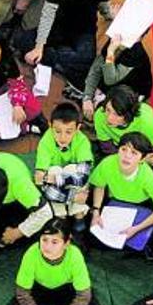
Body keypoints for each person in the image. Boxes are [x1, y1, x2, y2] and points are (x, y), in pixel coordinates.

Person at [19, 0, 116, 90]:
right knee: (22, 41)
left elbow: (103, 6)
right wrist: (39, 47)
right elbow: (48, 15)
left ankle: (51, 58)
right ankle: (53, 57)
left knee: (86, 60)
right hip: (59, 27)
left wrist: (110, 15)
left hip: (84, 30)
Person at [4, 218, 104, 305]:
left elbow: (83, 296)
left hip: (66, 291)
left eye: (55, 242)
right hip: (39, 291)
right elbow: (22, 294)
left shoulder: (75, 255)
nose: (47, 247)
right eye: (44, 240)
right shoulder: (32, 253)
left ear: (66, 243)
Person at [88, 132, 153, 260]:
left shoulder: (146, 177)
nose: (127, 156)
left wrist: (137, 229)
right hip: (116, 202)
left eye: (134, 153)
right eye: (123, 149)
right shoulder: (107, 163)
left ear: (142, 159)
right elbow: (99, 186)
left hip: (143, 204)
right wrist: (96, 211)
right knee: (92, 238)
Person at [93, 85, 153, 204]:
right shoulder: (100, 115)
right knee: (100, 176)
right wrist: (124, 158)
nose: (109, 118)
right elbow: (106, 146)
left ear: (128, 114)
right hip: (119, 150)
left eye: (116, 114)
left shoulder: (145, 121)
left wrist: (144, 160)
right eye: (108, 110)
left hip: (144, 151)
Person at [34, 102, 93, 241]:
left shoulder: (83, 141)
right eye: (57, 131)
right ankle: (62, 219)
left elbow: (82, 177)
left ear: (78, 128)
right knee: (55, 170)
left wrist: (56, 179)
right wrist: (72, 197)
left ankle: (78, 219)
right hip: (62, 190)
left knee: (71, 169)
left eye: (68, 131)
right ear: (50, 125)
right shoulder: (45, 141)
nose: (62, 137)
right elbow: (38, 179)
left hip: (72, 184)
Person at [80, 34, 152, 119]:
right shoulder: (114, 42)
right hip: (114, 85)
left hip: (131, 92)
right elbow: (96, 70)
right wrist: (87, 97)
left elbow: (110, 79)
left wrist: (110, 52)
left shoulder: (135, 53)